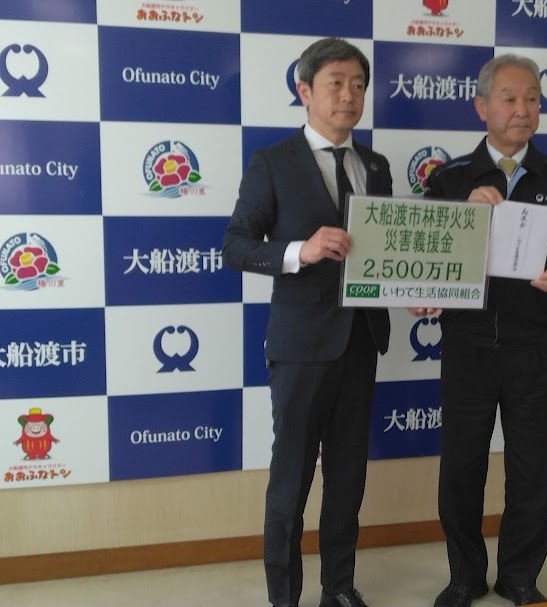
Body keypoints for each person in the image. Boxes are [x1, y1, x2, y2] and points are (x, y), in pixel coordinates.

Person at [414, 54, 547, 607]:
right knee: (461, 470)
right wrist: (464, 214)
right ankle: (465, 577)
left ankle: (520, 577)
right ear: (482, 107)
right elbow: (425, 261)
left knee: (531, 471)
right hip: (467, 349)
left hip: (534, 351)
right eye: (509, 99)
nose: (523, 110)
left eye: (532, 99)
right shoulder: (450, 180)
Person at [222, 38, 391, 607]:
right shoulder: (273, 161)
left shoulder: (376, 166)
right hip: (301, 346)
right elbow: (235, 246)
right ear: (305, 90)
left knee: (348, 478)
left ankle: (338, 589)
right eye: (336, 83)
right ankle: (285, 597)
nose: (349, 95)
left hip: (362, 340)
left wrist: (414, 291)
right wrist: (301, 250)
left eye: (358, 85)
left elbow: (382, 254)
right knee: (291, 481)